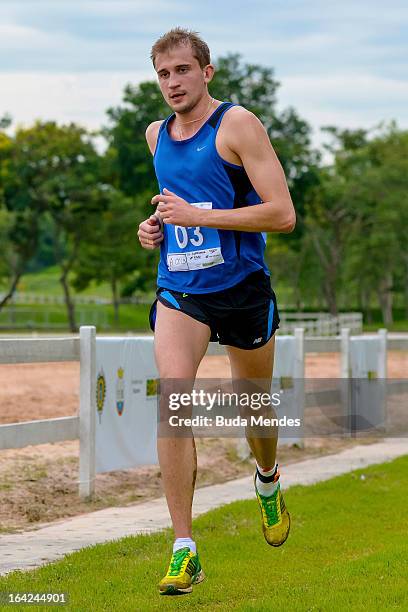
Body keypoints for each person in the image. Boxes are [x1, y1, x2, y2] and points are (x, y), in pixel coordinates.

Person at [137, 27, 296, 596]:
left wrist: (198, 218)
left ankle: (268, 479)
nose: (172, 83)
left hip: (244, 288)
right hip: (182, 289)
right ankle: (185, 548)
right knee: (172, 397)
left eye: (181, 71)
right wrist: (155, 227)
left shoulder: (238, 125)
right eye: (162, 74)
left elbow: (281, 215)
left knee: (256, 412)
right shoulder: (157, 136)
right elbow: (180, 206)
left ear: (206, 72)